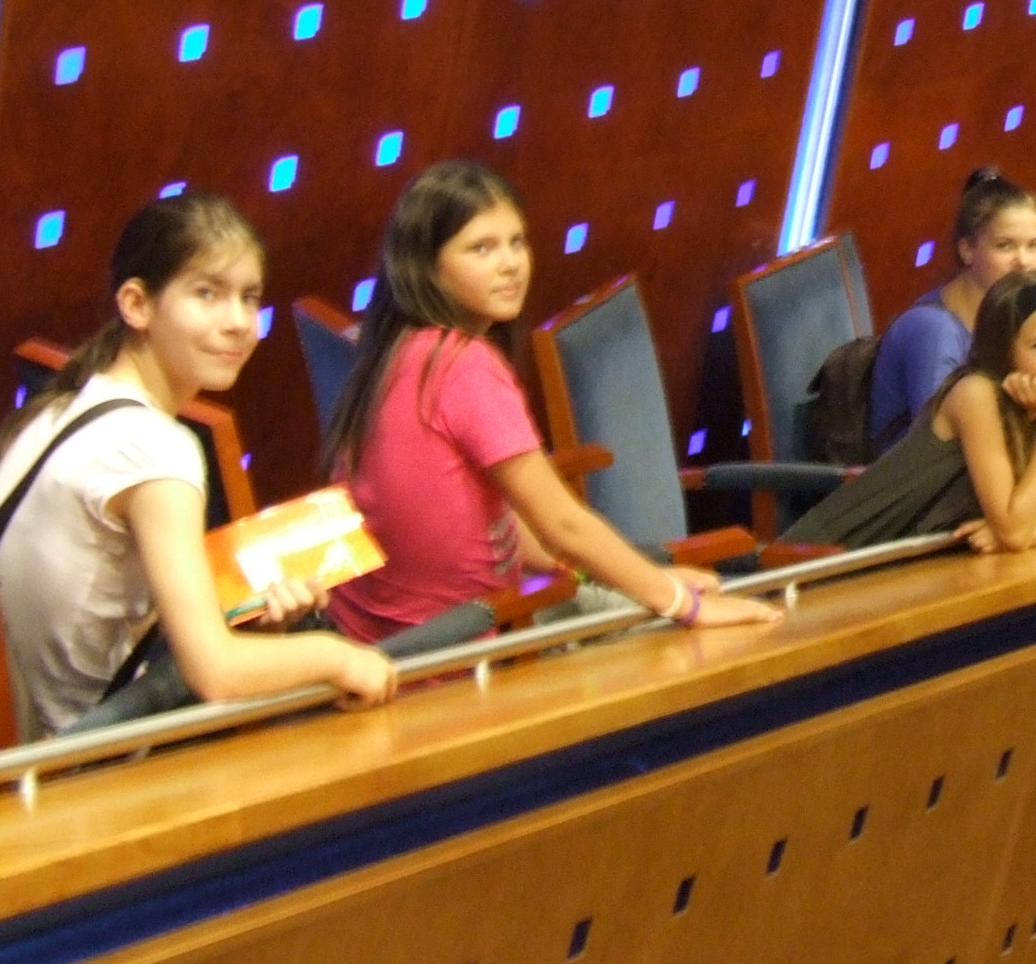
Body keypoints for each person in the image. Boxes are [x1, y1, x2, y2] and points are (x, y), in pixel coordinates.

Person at [0, 194, 397, 738]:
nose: (239, 323)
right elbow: (214, 672)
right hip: (85, 757)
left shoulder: (59, 404)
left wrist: (251, 616)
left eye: (249, 298)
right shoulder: (157, 449)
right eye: (208, 294)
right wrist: (338, 656)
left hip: (22, 746)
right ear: (137, 304)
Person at [323, 161, 780, 638]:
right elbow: (563, 525)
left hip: (391, 639)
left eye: (517, 242)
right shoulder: (463, 365)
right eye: (482, 248)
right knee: (734, 633)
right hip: (465, 648)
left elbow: (493, 521)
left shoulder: (397, 349)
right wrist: (683, 605)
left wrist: (639, 581)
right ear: (426, 268)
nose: (511, 264)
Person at [777, 271, 1036, 553]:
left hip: (921, 559)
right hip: (838, 552)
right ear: (1004, 352)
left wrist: (1033, 532)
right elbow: (1015, 533)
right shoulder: (976, 394)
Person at [866, 168, 1036, 451]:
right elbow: (944, 444)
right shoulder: (935, 331)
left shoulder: (1010, 319)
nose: (1024, 262)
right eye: (1005, 246)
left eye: (1033, 246)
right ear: (967, 250)